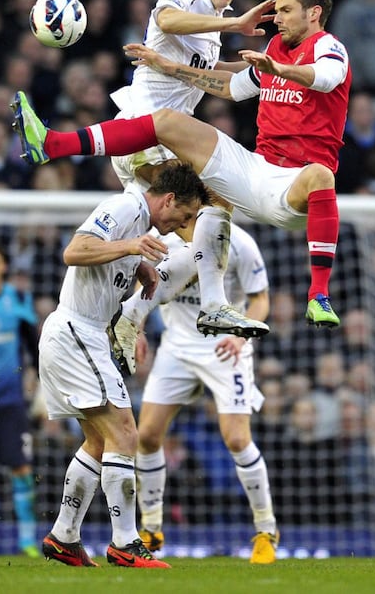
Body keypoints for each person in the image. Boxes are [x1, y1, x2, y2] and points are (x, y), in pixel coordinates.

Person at [12, 0, 351, 328]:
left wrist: (277, 68)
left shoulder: (329, 47)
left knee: (321, 175)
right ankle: (52, 144)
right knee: (168, 123)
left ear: (313, 13)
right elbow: (234, 87)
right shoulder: (277, 50)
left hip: (294, 186)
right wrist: (170, 66)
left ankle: (318, 296)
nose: (277, 19)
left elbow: (325, 78)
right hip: (255, 168)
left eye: (285, 10)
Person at [37, 161, 207, 568]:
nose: (181, 225)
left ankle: (63, 536)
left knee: (100, 442)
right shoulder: (126, 208)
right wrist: (130, 249)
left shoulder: (141, 228)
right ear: (167, 200)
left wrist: (139, 271)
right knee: (126, 434)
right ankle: (125, 543)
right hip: (76, 332)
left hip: (84, 334)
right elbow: (74, 251)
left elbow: (106, 272)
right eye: (183, 215)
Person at [109, 0, 274, 341]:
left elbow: (213, 71)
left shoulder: (210, 31)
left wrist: (270, 66)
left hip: (166, 140)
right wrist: (234, 24)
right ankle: (207, 307)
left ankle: (131, 315)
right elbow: (166, 22)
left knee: (197, 234)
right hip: (142, 133)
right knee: (205, 209)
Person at [127, 222, 278, 564]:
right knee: (147, 436)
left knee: (237, 439)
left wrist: (240, 335)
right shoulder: (165, 239)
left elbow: (261, 300)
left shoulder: (240, 243)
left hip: (226, 349)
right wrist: (136, 326)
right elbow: (146, 281)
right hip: (177, 347)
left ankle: (266, 530)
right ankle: (151, 528)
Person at [0, 237, 39, 557]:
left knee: (21, 468)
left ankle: (28, 540)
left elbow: (33, 348)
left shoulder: (17, 298)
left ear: (3, 267)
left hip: (9, 403)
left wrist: (41, 387)